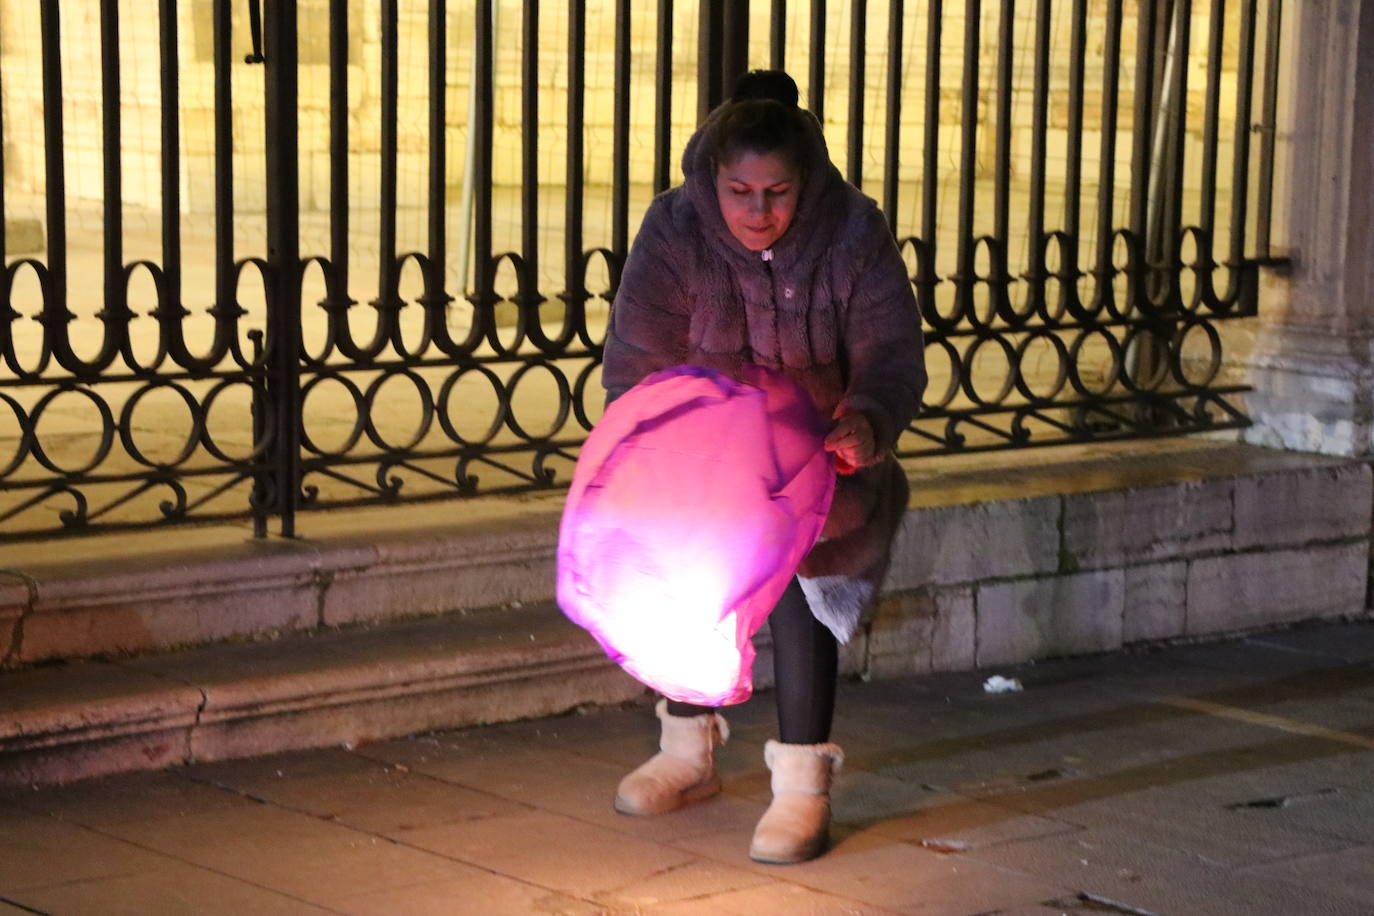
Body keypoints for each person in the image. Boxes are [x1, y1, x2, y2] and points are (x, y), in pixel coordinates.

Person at [600, 69, 927, 864]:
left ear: (804, 179)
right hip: (707, 461)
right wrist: (669, 433)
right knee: (690, 585)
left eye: (776, 192)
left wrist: (868, 422)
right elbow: (638, 352)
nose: (757, 212)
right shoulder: (676, 231)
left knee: (797, 589)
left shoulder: (852, 232)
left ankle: (802, 786)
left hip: (818, 461)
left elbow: (891, 351)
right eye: (739, 191)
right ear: (712, 178)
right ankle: (686, 753)